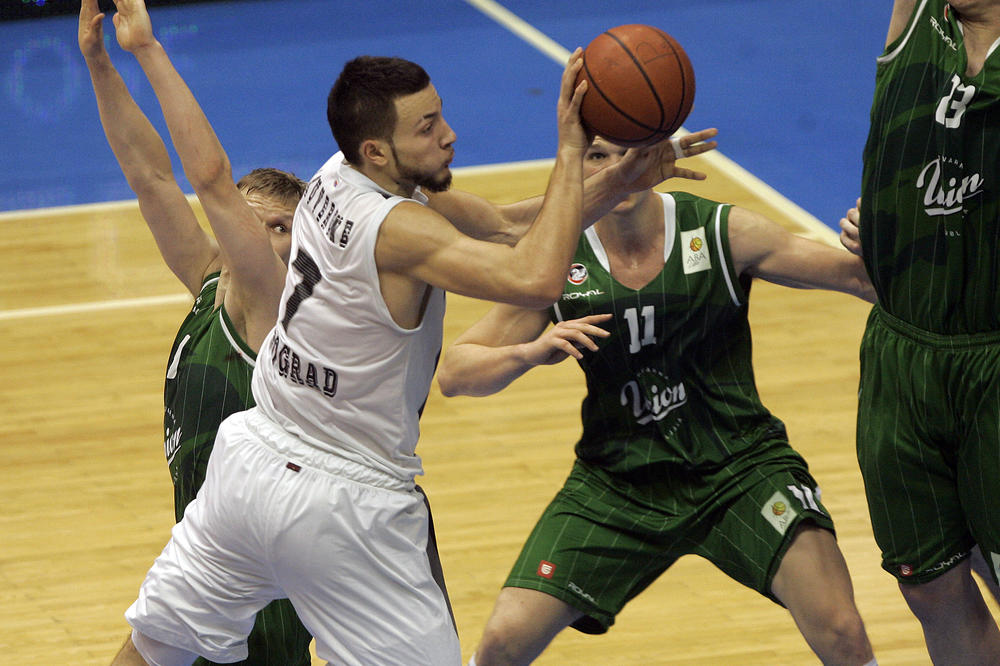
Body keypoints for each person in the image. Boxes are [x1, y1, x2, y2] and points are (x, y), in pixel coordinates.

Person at [103, 0, 720, 663]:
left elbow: (510, 228)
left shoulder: (338, 178)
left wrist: (618, 177)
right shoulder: (400, 232)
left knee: (154, 647)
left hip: (249, 462)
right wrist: (572, 151)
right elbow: (536, 276)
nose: (448, 135)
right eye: (428, 128)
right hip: (344, 502)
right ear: (379, 147)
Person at [436, 136, 880, 666]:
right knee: (503, 642)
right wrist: (530, 352)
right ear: (572, 167)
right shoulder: (556, 261)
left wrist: (879, 242)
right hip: (619, 485)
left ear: (655, 156)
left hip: (739, 468)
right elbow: (456, 373)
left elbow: (859, 280)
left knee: (842, 630)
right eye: (597, 155)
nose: (617, 167)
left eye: (629, 152)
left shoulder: (721, 231)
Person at [78, 1, 313, 663]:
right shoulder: (212, 279)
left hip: (255, 582)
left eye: (278, 226)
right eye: (252, 219)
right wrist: (98, 61)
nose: (260, 236)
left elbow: (206, 177)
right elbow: (149, 175)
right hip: (202, 559)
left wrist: (149, 51)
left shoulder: (271, 308)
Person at [852, 1, 1000, 662]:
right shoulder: (917, 16)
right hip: (899, 356)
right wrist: (887, 213)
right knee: (931, 588)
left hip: (992, 362)